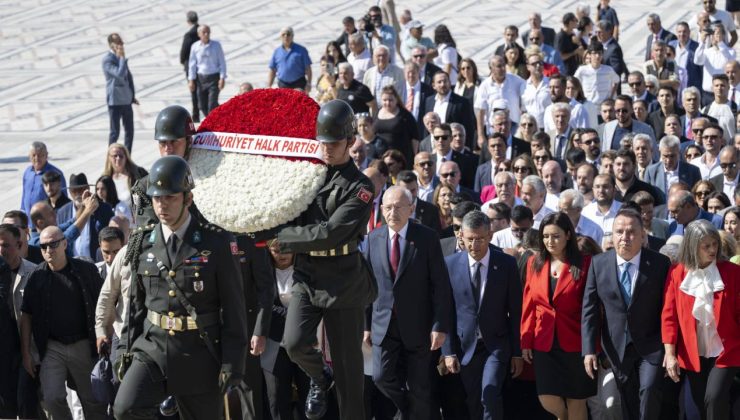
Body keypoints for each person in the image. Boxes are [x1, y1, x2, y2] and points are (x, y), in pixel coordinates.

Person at [112, 156, 248, 420]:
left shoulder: (216, 243)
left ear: (188, 198)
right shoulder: (143, 243)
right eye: (156, 198)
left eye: (170, 197)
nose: (162, 205)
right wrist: (123, 351)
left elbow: (234, 309)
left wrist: (233, 363)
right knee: (125, 408)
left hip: (199, 353)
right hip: (152, 349)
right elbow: (135, 307)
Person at [276, 100, 377, 420]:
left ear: (350, 142)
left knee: (349, 374)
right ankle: (320, 377)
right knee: (293, 343)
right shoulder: (309, 175)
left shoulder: (360, 186)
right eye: (323, 143)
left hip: (344, 279)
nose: (327, 149)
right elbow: (288, 210)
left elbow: (332, 232)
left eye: (334, 143)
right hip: (309, 273)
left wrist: (285, 238)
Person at [364, 185, 452, 419]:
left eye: (399, 207)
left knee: (420, 389)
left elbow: (440, 285)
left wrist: (439, 326)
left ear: (411, 209)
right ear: (382, 210)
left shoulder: (427, 237)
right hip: (384, 324)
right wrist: (365, 326)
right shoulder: (373, 238)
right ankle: (406, 410)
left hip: (419, 327)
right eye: (388, 207)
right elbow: (367, 287)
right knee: (380, 377)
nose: (393, 212)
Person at [581, 208, 672, 420]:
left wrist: (670, 348)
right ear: (612, 235)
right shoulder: (599, 263)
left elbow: (668, 308)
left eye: (631, 232)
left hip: (651, 345)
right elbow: (590, 309)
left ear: (643, 235)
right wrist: (589, 350)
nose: (625, 237)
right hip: (616, 348)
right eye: (619, 231)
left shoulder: (659, 263)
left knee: (649, 391)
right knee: (627, 401)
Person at [442, 210, 523, 420]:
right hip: (465, 345)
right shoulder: (450, 265)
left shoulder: (506, 264)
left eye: (479, 239)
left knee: (490, 393)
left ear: (489, 236)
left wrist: (517, 352)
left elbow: (515, 311)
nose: (474, 245)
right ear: (461, 236)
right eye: (469, 239)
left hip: (495, 345)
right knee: (473, 399)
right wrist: (448, 351)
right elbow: (445, 311)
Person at [20, 226, 107, 419]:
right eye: (43, 246)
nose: (48, 250)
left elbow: (104, 303)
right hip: (52, 347)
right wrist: (27, 353)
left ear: (65, 243)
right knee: (51, 398)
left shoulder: (86, 270)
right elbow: (26, 315)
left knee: (92, 400)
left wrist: (104, 335)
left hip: (84, 344)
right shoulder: (36, 277)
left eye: (53, 244)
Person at [662, 219, 740, 419]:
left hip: (726, 351)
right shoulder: (677, 273)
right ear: (692, 246)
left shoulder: (732, 273)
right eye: (706, 246)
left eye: (714, 243)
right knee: (702, 405)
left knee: (713, 398)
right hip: (692, 352)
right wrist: (670, 354)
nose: (712, 249)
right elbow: (669, 315)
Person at [521, 212, 595, 420]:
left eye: (555, 236)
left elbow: (593, 307)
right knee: (547, 397)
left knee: (576, 400)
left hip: (577, 342)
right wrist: (526, 339)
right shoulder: (534, 262)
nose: (549, 241)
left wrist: (593, 345)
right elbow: (529, 304)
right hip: (544, 342)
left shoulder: (586, 263)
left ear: (568, 236)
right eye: (545, 236)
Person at [263, 243, 310, 420]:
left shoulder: (306, 272)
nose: (282, 255)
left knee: (309, 397)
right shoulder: (263, 273)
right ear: (269, 250)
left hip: (304, 344)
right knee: (276, 399)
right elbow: (263, 306)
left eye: (287, 249)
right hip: (274, 344)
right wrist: (294, 316)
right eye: (276, 250)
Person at [0, 224, 39, 419]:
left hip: (29, 353)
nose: (1, 251)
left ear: (20, 244)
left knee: (28, 406)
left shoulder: (34, 273)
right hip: (4, 355)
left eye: (6, 245)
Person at [56, 173, 114, 260]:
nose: (78, 194)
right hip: (72, 263)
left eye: (81, 189)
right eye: (74, 190)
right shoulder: (62, 212)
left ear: (87, 189)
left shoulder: (103, 208)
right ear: (70, 192)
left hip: (95, 261)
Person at [102, 33, 137, 152]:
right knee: (114, 132)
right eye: (119, 43)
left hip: (126, 99)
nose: (121, 46)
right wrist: (122, 58)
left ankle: (127, 157)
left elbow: (129, 76)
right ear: (112, 45)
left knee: (130, 131)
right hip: (115, 100)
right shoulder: (108, 60)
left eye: (122, 43)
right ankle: (111, 157)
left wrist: (132, 95)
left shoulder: (120, 57)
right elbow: (120, 74)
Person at [425, 71, 475, 150]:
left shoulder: (461, 102)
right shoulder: (429, 101)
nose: (443, 84)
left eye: (445, 81)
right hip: (434, 146)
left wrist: (467, 148)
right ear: (433, 85)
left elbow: (468, 128)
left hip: (453, 147)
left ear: (450, 82)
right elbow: (426, 125)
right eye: (439, 82)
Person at [21, 142, 67, 220]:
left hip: (46, 222)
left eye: (40, 155)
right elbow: (24, 195)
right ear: (29, 156)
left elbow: (63, 200)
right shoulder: (28, 172)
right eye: (33, 155)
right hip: (29, 222)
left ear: (46, 155)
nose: (36, 158)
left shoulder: (55, 173)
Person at [188, 24, 227, 116]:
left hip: (214, 77)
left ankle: (212, 124)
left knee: (212, 104)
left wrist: (222, 78)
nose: (206, 34)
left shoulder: (216, 46)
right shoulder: (195, 46)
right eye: (204, 32)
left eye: (208, 32)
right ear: (199, 34)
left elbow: (222, 62)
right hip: (201, 78)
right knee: (201, 105)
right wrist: (191, 80)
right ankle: (219, 115)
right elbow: (192, 64)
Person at [373, 85, 418, 165]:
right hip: (380, 156)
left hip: (400, 158)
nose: (387, 103)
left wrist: (415, 156)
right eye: (384, 100)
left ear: (396, 100)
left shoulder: (405, 115)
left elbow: (415, 137)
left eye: (390, 100)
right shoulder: (377, 113)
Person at [694, 23, 737, 105]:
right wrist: (702, 42)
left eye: (717, 33)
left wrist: (720, 42)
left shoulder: (730, 51)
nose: (714, 36)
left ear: (723, 35)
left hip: (724, 93)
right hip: (707, 94)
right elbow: (697, 61)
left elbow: (730, 61)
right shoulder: (707, 51)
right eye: (712, 34)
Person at [102, 143, 148, 207]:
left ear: (126, 157)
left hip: (134, 214)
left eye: (121, 156)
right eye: (115, 156)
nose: (118, 158)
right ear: (109, 157)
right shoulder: (104, 179)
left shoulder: (138, 173)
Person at [574, 40, 619, 105]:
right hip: (589, 106)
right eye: (594, 53)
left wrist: (611, 97)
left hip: (604, 107)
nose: (597, 56)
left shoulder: (608, 70)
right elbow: (574, 83)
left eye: (599, 53)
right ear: (589, 55)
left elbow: (616, 81)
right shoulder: (582, 70)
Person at [180, 11, 200, 122]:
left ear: (188, 21)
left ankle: (196, 114)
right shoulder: (202, 31)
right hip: (201, 67)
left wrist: (183, 62)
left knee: (193, 90)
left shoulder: (189, 35)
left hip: (191, 65)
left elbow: (183, 52)